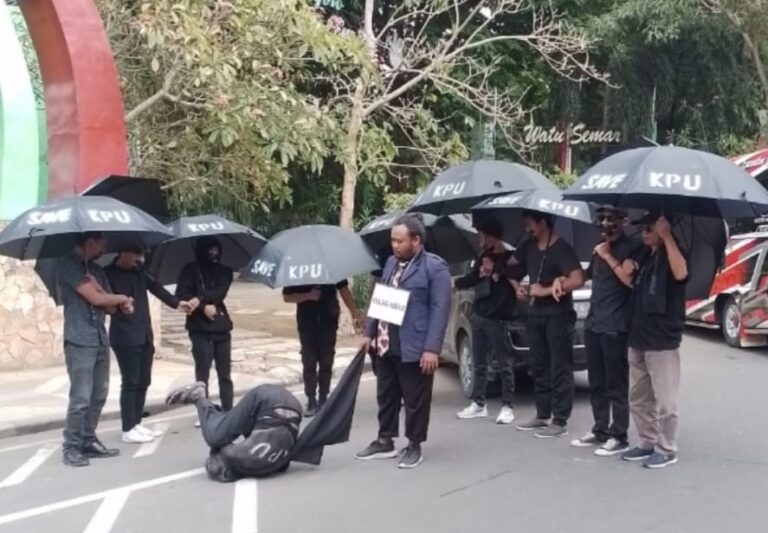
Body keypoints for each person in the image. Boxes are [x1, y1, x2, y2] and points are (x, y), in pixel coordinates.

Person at [355, 213, 452, 469]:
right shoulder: (389, 263)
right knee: (386, 394)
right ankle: (385, 439)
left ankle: (414, 444)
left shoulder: (435, 267)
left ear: (416, 240)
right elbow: (380, 299)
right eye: (393, 241)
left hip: (415, 345)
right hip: (386, 342)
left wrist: (432, 349)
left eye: (400, 241)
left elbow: (440, 309)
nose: (395, 246)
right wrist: (369, 332)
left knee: (415, 399)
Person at [569, 206, 643, 456]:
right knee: (596, 382)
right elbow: (584, 277)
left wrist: (608, 255)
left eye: (611, 218)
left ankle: (619, 435)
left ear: (623, 221)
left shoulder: (633, 247)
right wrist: (557, 280)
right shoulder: (599, 248)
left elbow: (630, 281)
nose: (605, 223)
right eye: (600, 218)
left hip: (616, 326)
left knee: (616, 384)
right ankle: (600, 428)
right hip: (594, 323)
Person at [56, 232, 132, 467]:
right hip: (79, 340)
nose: (103, 248)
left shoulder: (96, 270)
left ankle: (89, 439)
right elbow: (98, 300)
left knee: (99, 393)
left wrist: (113, 298)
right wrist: (122, 297)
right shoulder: (67, 264)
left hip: (100, 338)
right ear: (89, 242)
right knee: (80, 397)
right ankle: (71, 446)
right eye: (101, 244)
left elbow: (109, 308)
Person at [105, 244, 193, 444]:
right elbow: (106, 304)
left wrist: (177, 303)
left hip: (145, 334)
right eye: (137, 255)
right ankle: (127, 428)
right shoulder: (107, 274)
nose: (141, 260)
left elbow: (157, 288)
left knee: (144, 381)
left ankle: (136, 423)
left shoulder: (140, 272)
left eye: (143, 256)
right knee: (131, 382)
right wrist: (120, 308)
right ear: (123, 252)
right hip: (124, 336)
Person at [620, 213, 688, 469]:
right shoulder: (644, 254)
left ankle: (667, 448)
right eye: (642, 228)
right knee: (638, 397)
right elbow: (629, 279)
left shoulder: (675, 252)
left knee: (666, 401)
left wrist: (667, 236)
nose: (644, 233)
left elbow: (681, 274)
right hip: (638, 335)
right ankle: (647, 441)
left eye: (649, 228)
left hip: (662, 339)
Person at [508, 210, 584, 438]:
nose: (527, 229)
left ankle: (560, 420)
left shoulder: (562, 248)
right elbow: (510, 266)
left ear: (543, 223)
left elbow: (578, 278)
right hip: (535, 315)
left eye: (530, 224)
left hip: (558, 315)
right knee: (539, 365)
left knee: (559, 367)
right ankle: (542, 414)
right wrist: (517, 287)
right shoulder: (529, 247)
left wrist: (548, 290)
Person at [165, 382, 302, 481]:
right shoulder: (234, 456)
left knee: (219, 435)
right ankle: (206, 404)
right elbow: (218, 448)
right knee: (215, 437)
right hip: (269, 403)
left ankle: (199, 397)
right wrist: (216, 450)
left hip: (288, 407)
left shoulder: (270, 466)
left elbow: (283, 462)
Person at [454, 218, 517, 424]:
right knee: (479, 362)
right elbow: (471, 279)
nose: (479, 238)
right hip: (479, 315)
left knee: (504, 363)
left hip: (499, 318)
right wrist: (461, 281)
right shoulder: (483, 258)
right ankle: (479, 403)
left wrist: (497, 269)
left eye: (482, 235)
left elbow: (514, 278)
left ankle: (507, 406)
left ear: (492, 237)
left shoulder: (509, 258)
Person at [283, 280, 361, 417]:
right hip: (306, 322)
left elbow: (344, 289)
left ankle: (324, 396)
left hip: (328, 320)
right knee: (309, 362)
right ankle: (311, 399)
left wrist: (354, 312)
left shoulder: (331, 267)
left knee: (327, 360)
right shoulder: (299, 271)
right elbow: (287, 297)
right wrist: (308, 296)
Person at [176, 236, 235, 419]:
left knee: (224, 373)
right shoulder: (189, 270)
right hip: (199, 329)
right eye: (210, 252)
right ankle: (204, 411)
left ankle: (228, 409)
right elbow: (182, 293)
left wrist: (199, 299)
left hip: (221, 327)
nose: (214, 256)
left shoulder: (225, 271)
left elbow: (219, 294)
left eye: (216, 252)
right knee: (202, 374)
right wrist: (202, 307)